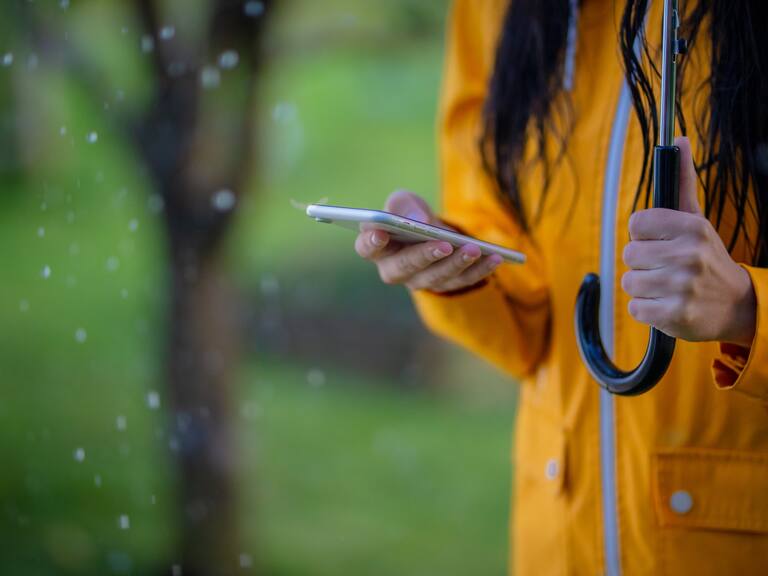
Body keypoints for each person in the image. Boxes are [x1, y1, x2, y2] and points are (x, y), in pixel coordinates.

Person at [355, 0, 768, 574]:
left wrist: (748, 310)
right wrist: (452, 267)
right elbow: (529, 332)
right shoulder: (494, 11)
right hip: (556, 545)